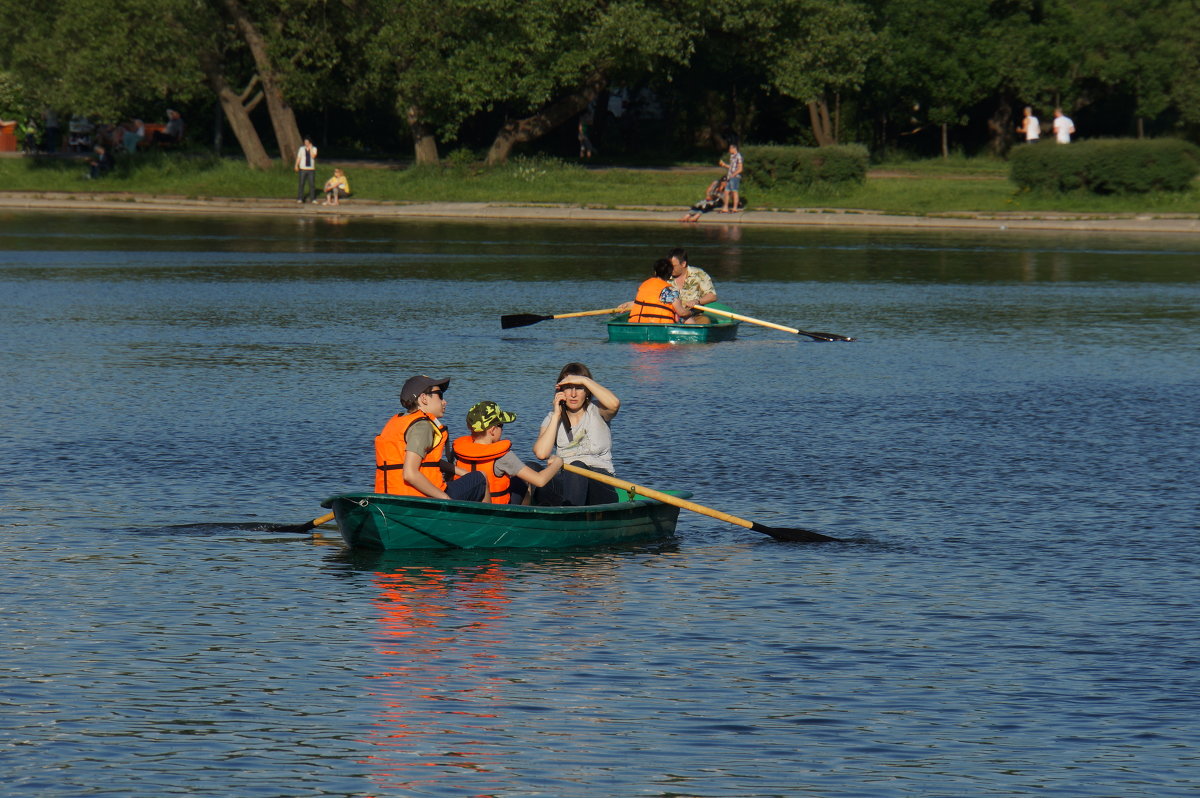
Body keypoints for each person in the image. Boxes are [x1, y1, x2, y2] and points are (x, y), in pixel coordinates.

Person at [374, 375, 487, 501]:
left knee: (470, 477)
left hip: (390, 496)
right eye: (440, 395)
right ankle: (492, 519)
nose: (444, 402)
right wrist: (445, 498)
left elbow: (426, 461)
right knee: (480, 478)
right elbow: (410, 474)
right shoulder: (423, 426)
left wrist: (460, 471)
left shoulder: (398, 422)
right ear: (424, 398)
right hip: (420, 499)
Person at [532, 363, 621, 506]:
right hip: (565, 481)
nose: (573, 394)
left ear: (587, 391)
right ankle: (515, 516)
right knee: (531, 468)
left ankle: (571, 517)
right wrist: (556, 416)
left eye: (579, 388)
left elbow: (615, 404)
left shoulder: (598, 410)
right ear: (560, 390)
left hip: (599, 484)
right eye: (568, 387)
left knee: (577, 466)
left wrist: (584, 380)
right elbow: (542, 454)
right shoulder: (552, 417)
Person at [452, 401, 564, 505]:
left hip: (466, 505)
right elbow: (540, 480)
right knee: (525, 481)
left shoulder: (458, 451)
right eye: (501, 425)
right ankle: (521, 517)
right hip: (495, 509)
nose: (502, 430)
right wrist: (557, 463)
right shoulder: (503, 456)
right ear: (492, 430)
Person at [620, 258, 684, 324]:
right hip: (660, 327)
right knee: (686, 318)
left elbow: (646, 302)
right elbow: (681, 313)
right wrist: (690, 313)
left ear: (655, 272)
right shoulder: (670, 291)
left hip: (637, 324)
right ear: (670, 274)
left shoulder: (644, 285)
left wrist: (629, 304)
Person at [667, 247, 718, 323]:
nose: (670, 269)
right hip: (671, 317)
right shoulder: (665, 276)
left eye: (673, 266)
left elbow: (712, 296)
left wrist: (697, 301)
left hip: (694, 315)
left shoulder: (699, 274)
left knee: (705, 321)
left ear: (683, 264)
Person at [719, 141, 743, 213]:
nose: (729, 150)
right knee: (726, 191)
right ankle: (725, 207)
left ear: (734, 148)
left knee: (734, 191)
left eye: (730, 148)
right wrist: (724, 165)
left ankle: (735, 208)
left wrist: (734, 174)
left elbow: (740, 168)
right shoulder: (732, 157)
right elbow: (731, 167)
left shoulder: (738, 156)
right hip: (729, 176)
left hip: (735, 177)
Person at [295, 136, 318, 204]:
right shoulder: (301, 149)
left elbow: (313, 156)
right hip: (303, 168)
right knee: (301, 183)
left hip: (311, 169)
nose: (306, 143)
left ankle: (313, 198)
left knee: (311, 184)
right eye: (305, 142)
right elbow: (299, 157)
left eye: (307, 142)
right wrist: (296, 165)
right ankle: (300, 198)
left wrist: (310, 149)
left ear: (310, 142)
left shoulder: (314, 148)